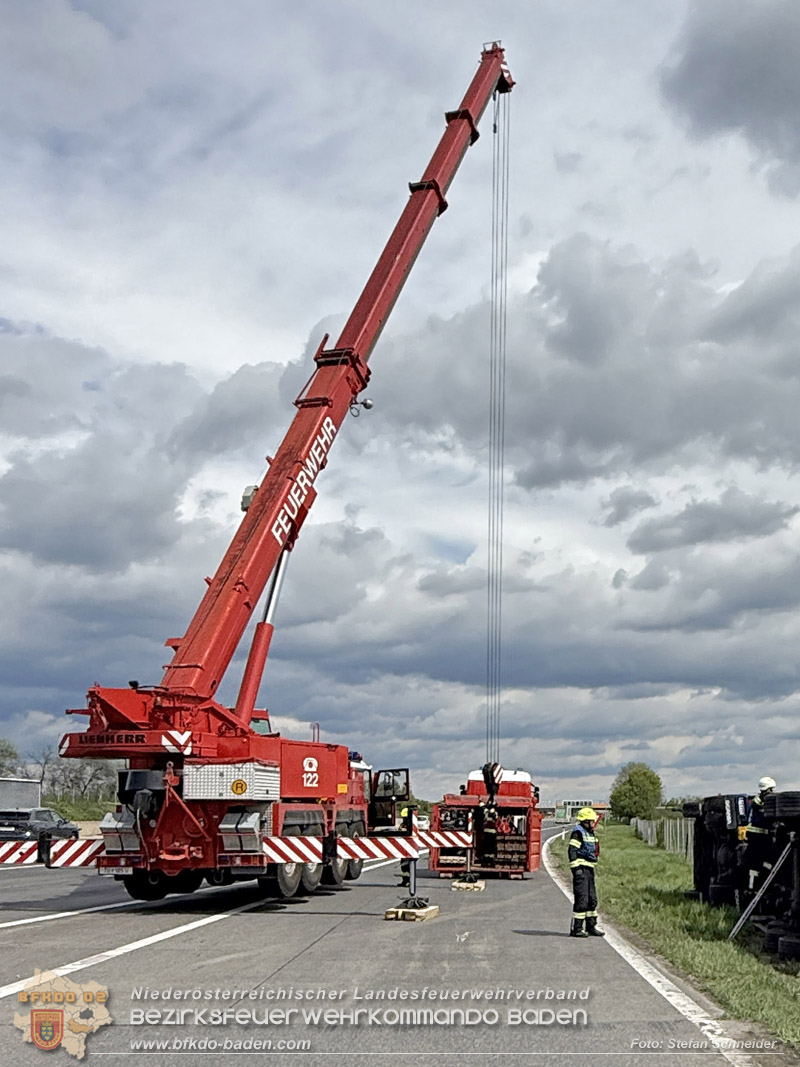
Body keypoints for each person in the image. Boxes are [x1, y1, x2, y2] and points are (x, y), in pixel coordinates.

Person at [568, 807, 604, 938]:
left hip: (589, 869)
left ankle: (591, 926)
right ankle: (576, 929)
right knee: (582, 900)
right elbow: (572, 851)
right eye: (591, 821)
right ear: (585, 821)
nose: (593, 823)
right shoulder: (578, 833)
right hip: (581, 870)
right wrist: (576, 870)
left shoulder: (590, 832)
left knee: (591, 900)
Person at [744, 776, 776, 892]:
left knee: (764, 862)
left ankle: (760, 884)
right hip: (757, 836)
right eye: (771, 790)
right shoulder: (757, 803)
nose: (773, 792)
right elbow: (763, 817)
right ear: (766, 790)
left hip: (760, 836)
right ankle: (753, 888)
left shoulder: (759, 801)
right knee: (757, 863)